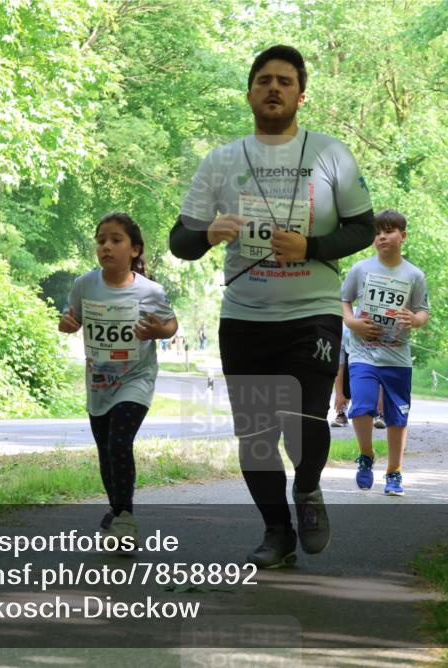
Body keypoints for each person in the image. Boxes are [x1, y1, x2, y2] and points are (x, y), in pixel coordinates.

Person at [169, 45, 375, 568]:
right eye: (264, 80)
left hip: (313, 312)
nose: (274, 88)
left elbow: (363, 227)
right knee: (257, 437)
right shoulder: (221, 160)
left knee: (303, 418)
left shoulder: (331, 154)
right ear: (250, 94)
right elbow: (179, 242)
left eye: (285, 80)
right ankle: (276, 533)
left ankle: (307, 489)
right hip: (245, 317)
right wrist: (209, 233)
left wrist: (311, 247)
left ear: (301, 95)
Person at [59, 212, 178, 543]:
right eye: (101, 241)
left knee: (119, 443)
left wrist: (157, 330)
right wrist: (67, 324)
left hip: (136, 379)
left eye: (115, 240)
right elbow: (71, 319)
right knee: (105, 450)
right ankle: (116, 508)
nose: (106, 247)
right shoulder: (84, 285)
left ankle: (125, 518)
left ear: (135, 250)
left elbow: (171, 324)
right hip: (99, 383)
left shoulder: (151, 291)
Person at [341, 210, 430, 494]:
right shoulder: (360, 269)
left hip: (397, 358)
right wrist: (354, 322)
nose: (382, 236)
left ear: (402, 236)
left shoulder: (414, 274)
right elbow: (344, 301)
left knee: (397, 417)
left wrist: (414, 320)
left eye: (389, 231)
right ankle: (366, 454)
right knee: (361, 408)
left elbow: (423, 311)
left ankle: (394, 472)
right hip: (363, 353)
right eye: (378, 232)